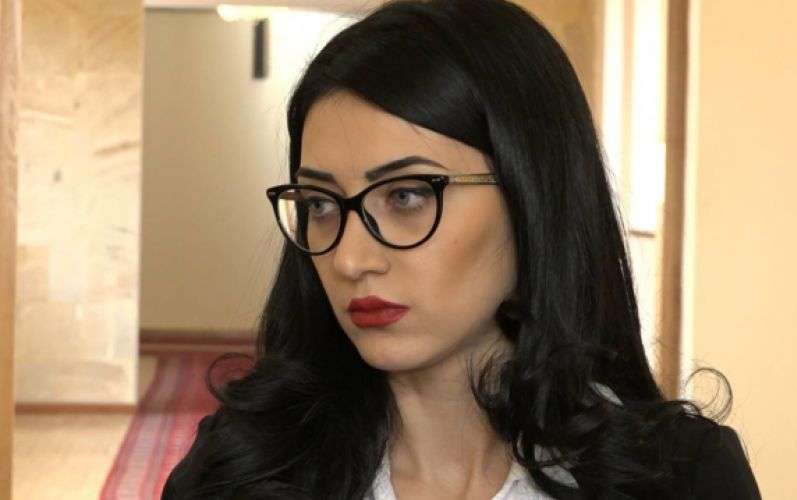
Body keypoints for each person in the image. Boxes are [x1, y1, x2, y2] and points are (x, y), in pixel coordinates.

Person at [162, 0, 761, 498]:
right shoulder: (234, 472)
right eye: (320, 204)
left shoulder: (682, 478)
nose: (350, 259)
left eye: (406, 195)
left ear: (531, 195)